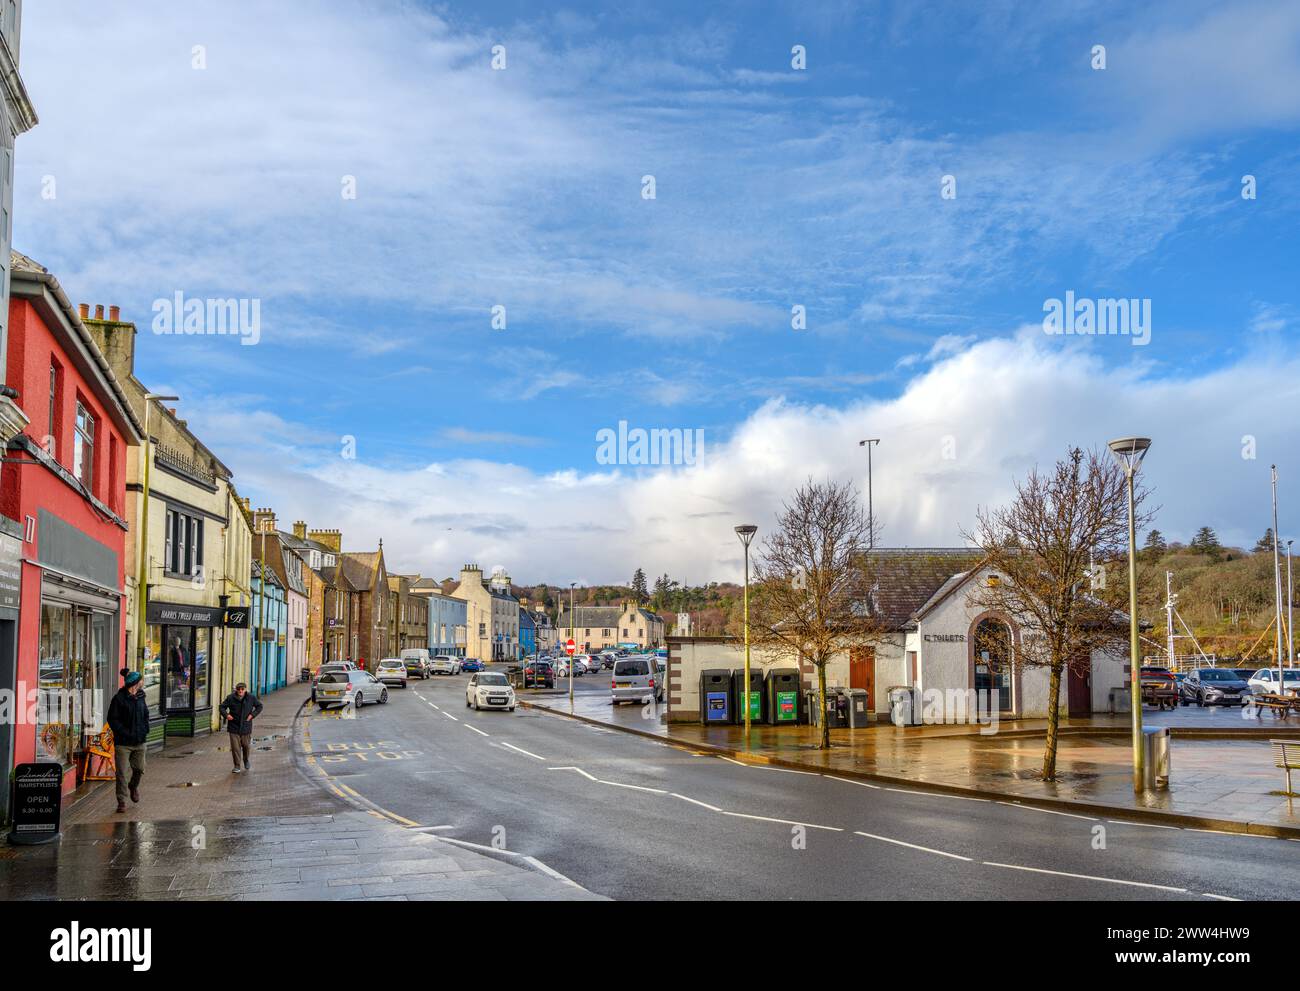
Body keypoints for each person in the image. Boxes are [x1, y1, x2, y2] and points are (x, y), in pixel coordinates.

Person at [106, 667, 150, 814]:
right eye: (141, 680)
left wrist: (145, 730)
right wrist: (124, 733)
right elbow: (112, 719)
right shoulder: (119, 699)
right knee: (122, 773)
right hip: (123, 743)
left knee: (140, 769)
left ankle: (133, 786)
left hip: (139, 741)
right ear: (135, 683)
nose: (142, 682)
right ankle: (122, 801)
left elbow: (145, 716)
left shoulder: (142, 696)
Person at [219, 682, 263, 773]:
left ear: (245, 689)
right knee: (235, 747)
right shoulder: (230, 698)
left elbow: (259, 706)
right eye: (238, 689)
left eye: (242, 689)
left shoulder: (251, 697)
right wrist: (227, 715)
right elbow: (221, 707)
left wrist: (252, 715)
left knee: (246, 746)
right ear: (236, 689)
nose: (240, 691)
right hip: (234, 726)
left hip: (246, 725)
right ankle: (237, 765)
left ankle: (246, 760)